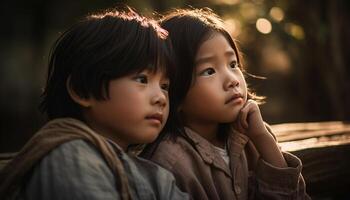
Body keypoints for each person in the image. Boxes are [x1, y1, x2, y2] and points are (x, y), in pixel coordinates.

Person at [0, 7, 189, 200]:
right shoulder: (71, 155)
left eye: (165, 86)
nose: (161, 98)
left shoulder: (157, 176)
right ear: (82, 90)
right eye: (142, 79)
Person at [141, 8, 310, 200]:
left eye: (232, 64)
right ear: (174, 91)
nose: (232, 80)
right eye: (209, 71)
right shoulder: (170, 164)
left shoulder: (252, 134)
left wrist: (263, 138)